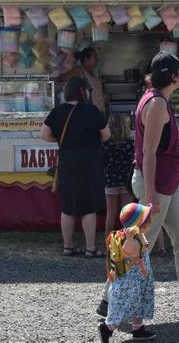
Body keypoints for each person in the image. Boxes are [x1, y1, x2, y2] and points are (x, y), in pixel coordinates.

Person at [97, 51, 179, 316]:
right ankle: (109, 299)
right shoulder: (156, 105)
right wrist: (150, 197)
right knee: (138, 246)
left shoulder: (157, 100)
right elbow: (149, 153)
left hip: (166, 185)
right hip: (157, 187)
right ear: (173, 76)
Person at [40, 76, 111, 258]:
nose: (88, 92)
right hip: (90, 160)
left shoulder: (58, 111)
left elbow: (44, 134)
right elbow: (106, 135)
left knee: (68, 205)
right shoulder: (91, 111)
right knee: (89, 206)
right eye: (87, 89)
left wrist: (64, 141)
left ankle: (68, 246)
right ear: (82, 91)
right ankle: (90, 248)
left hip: (68, 159)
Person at [98, 203, 156, 342]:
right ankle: (107, 328)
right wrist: (130, 239)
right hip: (130, 284)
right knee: (125, 306)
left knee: (139, 303)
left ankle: (138, 328)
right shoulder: (133, 241)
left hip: (138, 281)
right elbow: (126, 251)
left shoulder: (139, 235)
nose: (151, 221)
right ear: (138, 225)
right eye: (148, 219)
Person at [102, 113, 135, 236]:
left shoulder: (105, 144)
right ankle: (128, 240)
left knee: (111, 213)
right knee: (127, 213)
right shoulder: (130, 144)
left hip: (110, 180)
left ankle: (108, 241)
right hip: (127, 181)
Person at [57, 47, 105, 113]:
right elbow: (62, 78)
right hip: (89, 113)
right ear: (86, 60)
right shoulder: (79, 71)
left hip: (98, 112)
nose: (97, 59)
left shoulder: (91, 72)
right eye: (95, 57)